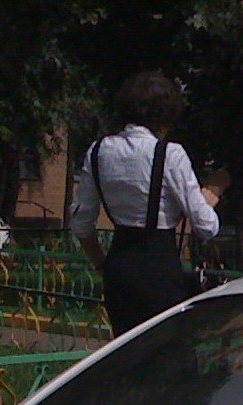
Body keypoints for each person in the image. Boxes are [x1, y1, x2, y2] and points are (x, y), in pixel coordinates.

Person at [70, 72, 221, 336]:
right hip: (159, 267)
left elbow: (82, 224)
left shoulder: (98, 151)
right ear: (166, 113)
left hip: (119, 265)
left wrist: (102, 264)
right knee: (165, 349)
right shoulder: (170, 154)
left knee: (127, 350)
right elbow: (206, 227)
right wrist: (213, 195)